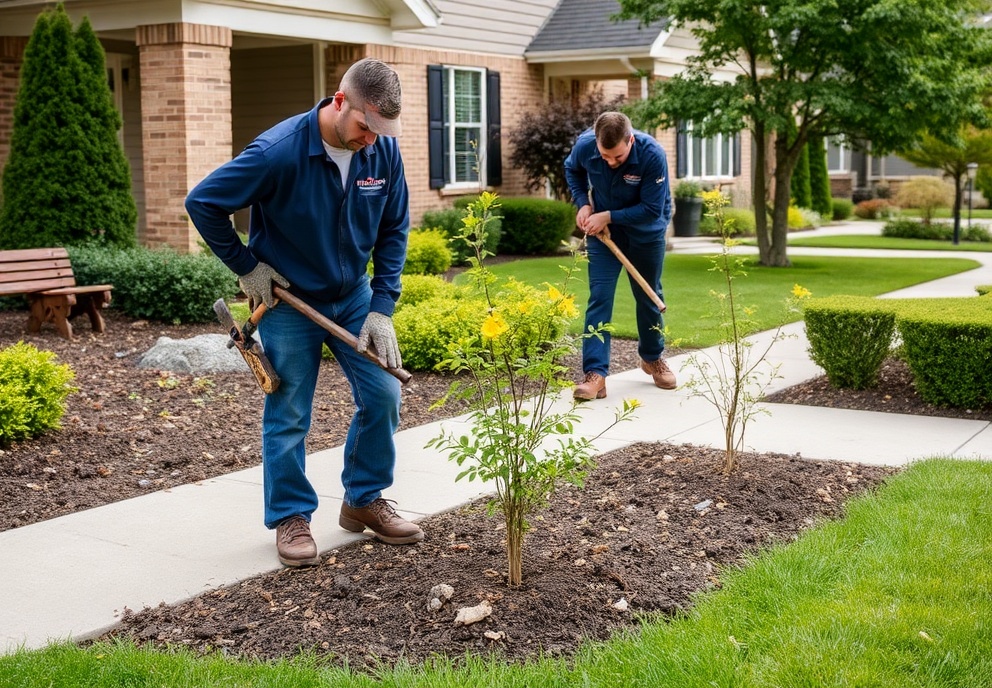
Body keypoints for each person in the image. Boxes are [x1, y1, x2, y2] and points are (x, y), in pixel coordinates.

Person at [185, 58, 423, 568]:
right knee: (290, 411)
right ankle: (291, 516)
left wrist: (382, 306)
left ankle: (363, 500)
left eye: (382, 131)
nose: (372, 140)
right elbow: (203, 202)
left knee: (383, 394)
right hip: (290, 301)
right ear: (341, 103)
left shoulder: (382, 152)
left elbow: (394, 228)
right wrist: (247, 266)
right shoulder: (278, 152)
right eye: (365, 126)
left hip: (354, 297)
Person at [563, 111, 677, 401]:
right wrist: (583, 204)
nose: (611, 162)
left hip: (645, 232)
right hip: (604, 236)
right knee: (599, 297)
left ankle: (652, 357)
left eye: (618, 157)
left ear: (631, 140)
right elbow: (572, 170)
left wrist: (607, 216)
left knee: (648, 295)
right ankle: (595, 375)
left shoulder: (652, 155)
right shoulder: (586, 145)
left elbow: (652, 209)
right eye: (605, 156)